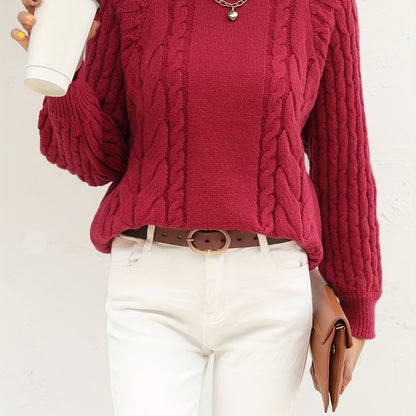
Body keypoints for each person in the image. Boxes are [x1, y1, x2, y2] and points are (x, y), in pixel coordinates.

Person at [11, 0, 382, 414]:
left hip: (270, 290)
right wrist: (65, 76)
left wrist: (357, 302)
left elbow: (343, 157)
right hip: (151, 286)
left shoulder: (324, 5)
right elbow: (98, 162)